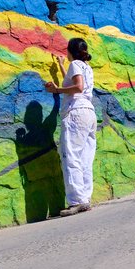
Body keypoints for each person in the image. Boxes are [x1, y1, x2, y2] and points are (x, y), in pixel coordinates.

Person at [45, 37, 97, 217]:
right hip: (89, 113)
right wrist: (61, 66)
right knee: (85, 158)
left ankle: (76, 201)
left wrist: (57, 90)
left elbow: (77, 87)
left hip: (75, 113)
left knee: (71, 156)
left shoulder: (75, 64)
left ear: (70, 51)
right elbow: (73, 81)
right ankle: (85, 198)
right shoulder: (86, 67)